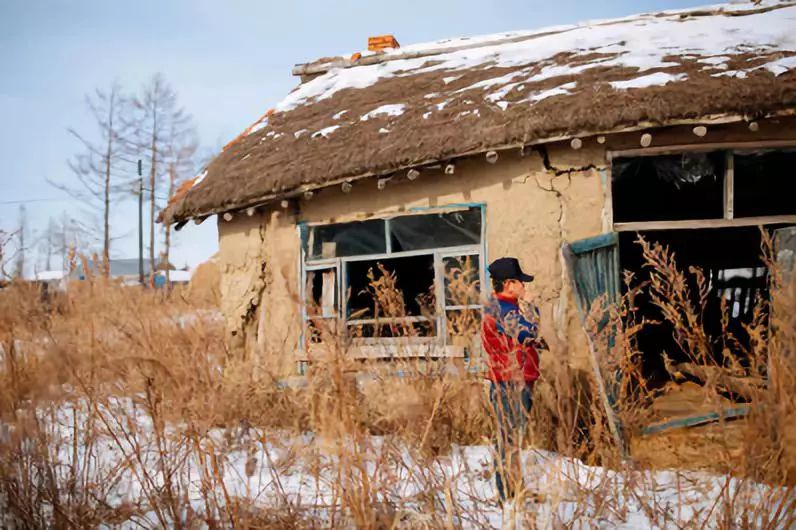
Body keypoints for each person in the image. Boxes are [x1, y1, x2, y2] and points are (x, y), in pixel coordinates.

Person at [482, 257, 544, 504]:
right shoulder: (504, 309)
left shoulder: (504, 306)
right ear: (509, 284)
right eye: (521, 283)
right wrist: (532, 307)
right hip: (510, 383)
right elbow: (528, 332)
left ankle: (514, 489)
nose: (525, 288)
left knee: (513, 440)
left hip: (514, 380)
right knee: (508, 440)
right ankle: (507, 495)